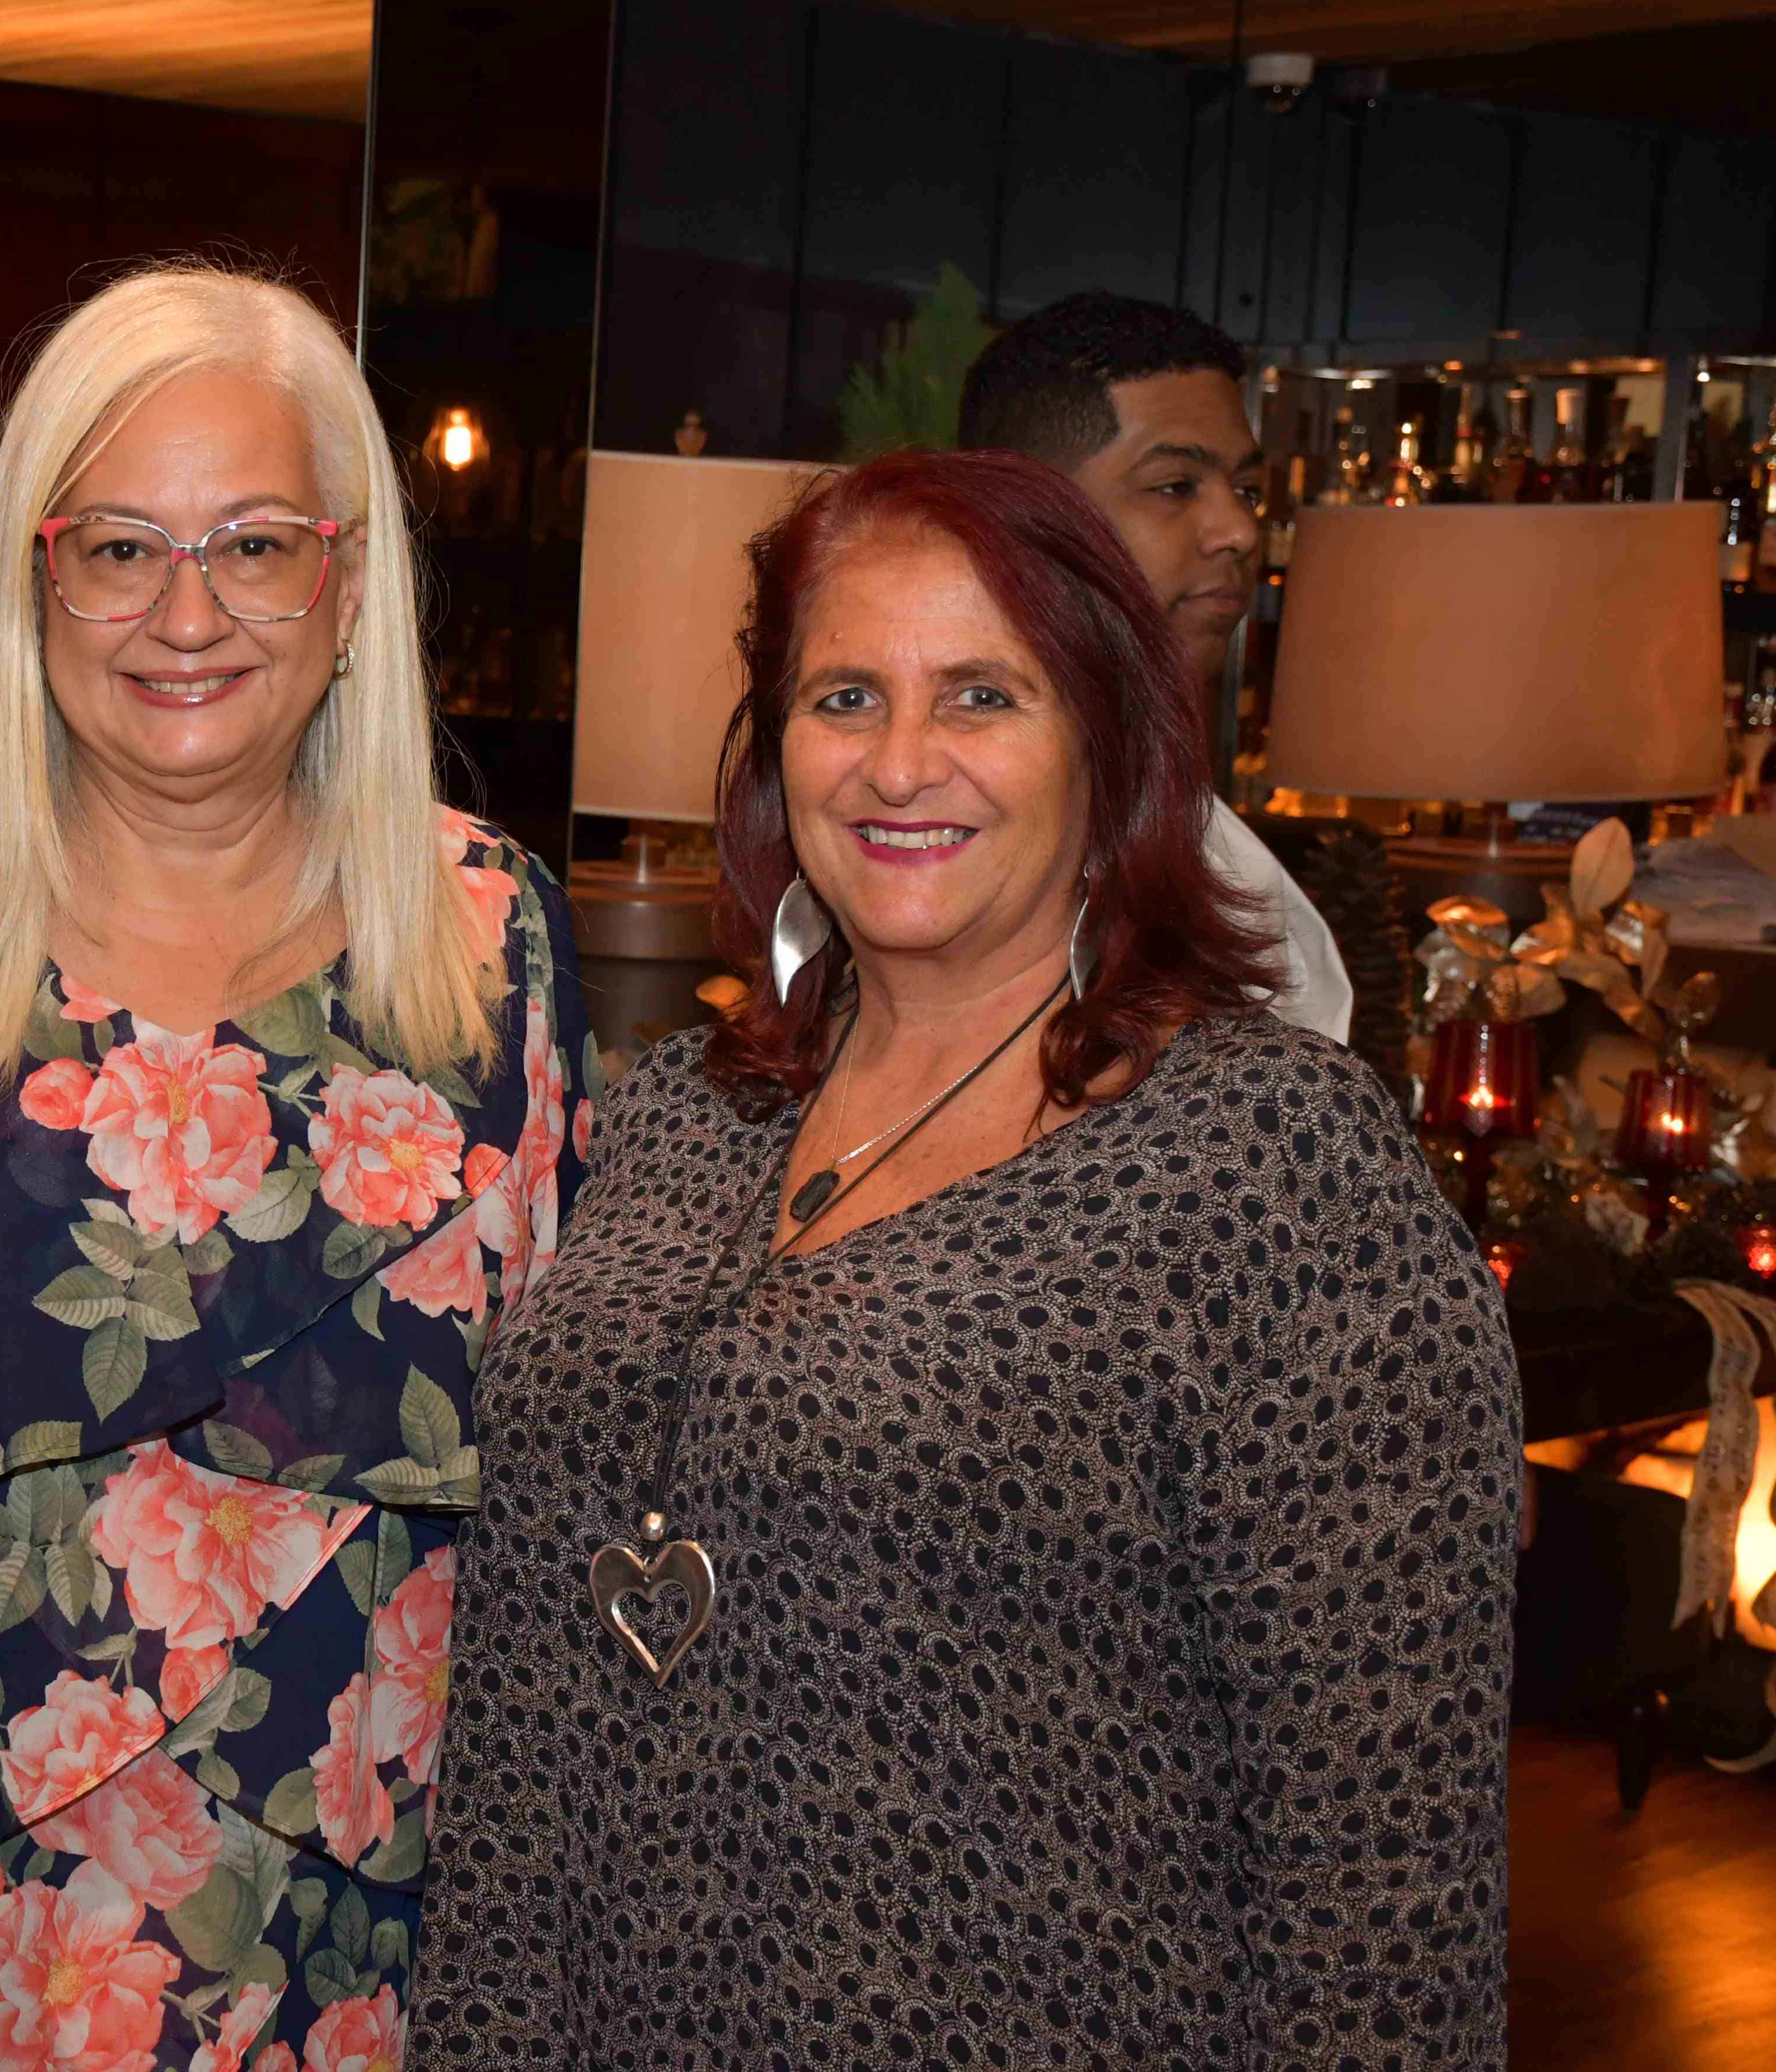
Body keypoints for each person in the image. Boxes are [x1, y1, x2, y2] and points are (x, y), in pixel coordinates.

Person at [412, 451, 1516, 2067]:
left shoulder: (1279, 1166)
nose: (900, 764)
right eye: (845, 694)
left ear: (1111, 746)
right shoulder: (691, 1111)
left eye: (984, 696)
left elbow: (1384, 1885)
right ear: (775, 747)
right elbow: (524, 1707)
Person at [0, 264, 593, 2071]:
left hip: (328, 1945)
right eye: (118, 546)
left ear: (349, 579)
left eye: (253, 542)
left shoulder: (488, 945)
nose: (186, 613)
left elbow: (570, 1468)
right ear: (29, 570)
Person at [956, 289, 1353, 1042]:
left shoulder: (1237, 900)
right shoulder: (892, 811)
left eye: (1245, 490)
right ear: (1019, 510)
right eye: (1175, 486)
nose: (1239, 531)